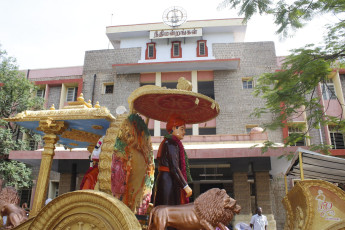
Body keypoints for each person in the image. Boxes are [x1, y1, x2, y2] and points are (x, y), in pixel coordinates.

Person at [153, 116, 193, 209]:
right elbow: (174, 167)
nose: (184, 132)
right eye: (182, 129)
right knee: (168, 211)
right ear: (174, 128)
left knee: (166, 209)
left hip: (168, 179)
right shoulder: (171, 143)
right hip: (168, 181)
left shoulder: (169, 142)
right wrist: (185, 186)